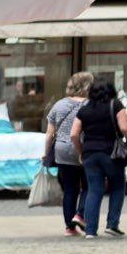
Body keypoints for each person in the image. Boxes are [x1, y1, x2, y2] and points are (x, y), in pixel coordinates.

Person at [71, 81, 127, 239]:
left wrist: (81, 151)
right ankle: (112, 225)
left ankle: (90, 231)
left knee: (94, 190)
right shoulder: (116, 105)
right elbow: (125, 128)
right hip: (111, 154)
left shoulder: (84, 109)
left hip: (90, 155)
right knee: (117, 186)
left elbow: (74, 134)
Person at [45, 71, 93, 236]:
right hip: (85, 149)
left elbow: (49, 134)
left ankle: (69, 227)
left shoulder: (58, 105)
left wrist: (45, 154)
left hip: (62, 150)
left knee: (70, 188)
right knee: (89, 185)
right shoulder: (91, 104)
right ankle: (80, 214)